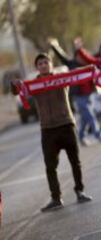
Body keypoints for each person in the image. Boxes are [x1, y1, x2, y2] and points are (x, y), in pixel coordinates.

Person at [11, 53, 92, 212]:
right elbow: (17, 92)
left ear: (51, 64)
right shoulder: (33, 84)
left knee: (75, 162)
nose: (43, 65)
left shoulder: (62, 78)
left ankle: (80, 191)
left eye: (45, 62)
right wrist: (15, 84)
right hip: (48, 129)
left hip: (66, 125)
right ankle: (56, 198)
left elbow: (78, 75)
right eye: (40, 63)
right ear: (37, 68)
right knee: (50, 167)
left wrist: (90, 69)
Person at [48, 38, 101, 146]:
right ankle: (98, 134)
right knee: (90, 115)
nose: (80, 58)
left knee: (85, 117)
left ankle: (81, 136)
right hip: (79, 96)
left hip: (89, 95)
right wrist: (54, 46)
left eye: (81, 55)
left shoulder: (88, 62)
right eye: (78, 56)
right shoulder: (72, 64)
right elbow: (62, 57)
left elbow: (100, 54)